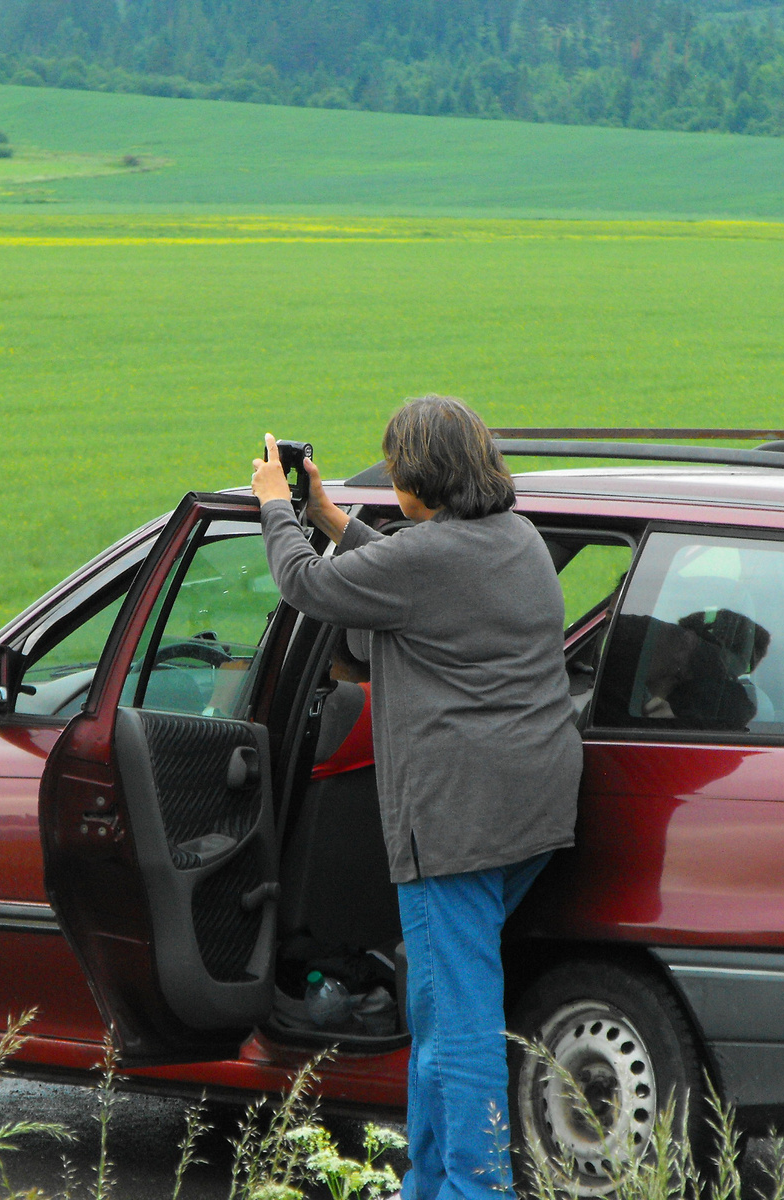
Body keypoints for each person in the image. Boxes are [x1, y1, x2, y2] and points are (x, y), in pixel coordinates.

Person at [250, 397, 583, 1200]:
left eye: (396, 467)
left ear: (421, 477)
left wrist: (274, 505)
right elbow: (404, 576)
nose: (391, 476)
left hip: (455, 822)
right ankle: (429, 1185)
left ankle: (475, 1191)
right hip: (532, 810)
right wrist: (330, 515)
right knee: (441, 1006)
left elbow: (305, 587)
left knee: (458, 1024)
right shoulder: (515, 538)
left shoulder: (426, 559)